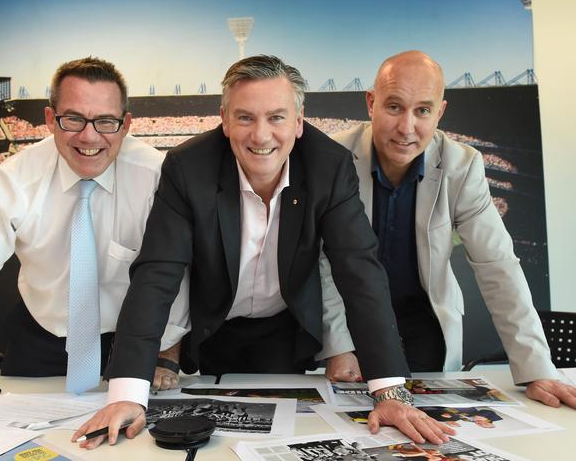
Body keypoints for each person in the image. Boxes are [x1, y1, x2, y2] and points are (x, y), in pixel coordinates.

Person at [74, 55, 454, 448]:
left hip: (283, 328)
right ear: (223, 119)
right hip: (213, 325)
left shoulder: (330, 166)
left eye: (276, 117)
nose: (261, 135)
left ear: (298, 121)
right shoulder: (188, 167)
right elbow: (156, 274)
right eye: (244, 118)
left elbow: (360, 272)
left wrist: (390, 392)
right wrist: (125, 397)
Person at [323, 50, 576, 408]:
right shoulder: (331, 157)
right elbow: (318, 261)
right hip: (349, 326)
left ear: (439, 112)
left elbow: (498, 265)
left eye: (423, 111)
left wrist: (536, 368)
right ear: (371, 103)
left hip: (424, 324)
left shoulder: (463, 165)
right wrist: (338, 344)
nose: (407, 128)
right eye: (394, 107)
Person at [0, 57, 181, 392]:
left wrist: (167, 349)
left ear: (126, 123)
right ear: (50, 119)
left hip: (136, 340)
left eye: (105, 121)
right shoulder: (12, 180)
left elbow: (178, 271)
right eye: (73, 119)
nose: (89, 137)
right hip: (40, 338)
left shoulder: (157, 177)